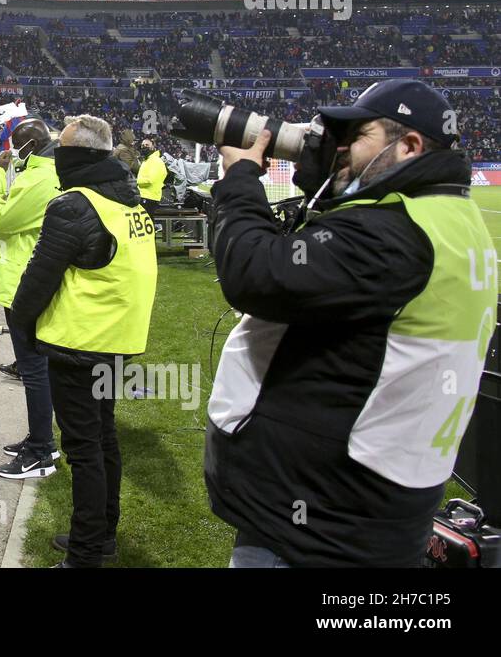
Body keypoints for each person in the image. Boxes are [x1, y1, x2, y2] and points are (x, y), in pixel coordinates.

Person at [204, 79, 495, 568]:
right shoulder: (443, 217)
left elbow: (255, 274)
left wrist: (240, 179)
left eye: (356, 136)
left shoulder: (395, 233)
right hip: (374, 503)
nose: (337, 149)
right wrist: (326, 178)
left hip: (317, 521)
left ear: (409, 145)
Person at [11, 115, 157, 567]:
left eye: (62, 152)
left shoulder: (75, 205)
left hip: (78, 342)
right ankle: (100, 534)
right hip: (115, 340)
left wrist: (23, 324)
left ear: (76, 157)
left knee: (84, 449)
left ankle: (86, 553)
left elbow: (37, 281)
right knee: (103, 439)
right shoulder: (127, 198)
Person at [0, 120, 62, 477]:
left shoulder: (37, 179)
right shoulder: (50, 172)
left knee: (33, 369)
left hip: (21, 283)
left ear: (29, 146)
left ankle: (41, 451)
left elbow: (0, 218)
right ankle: (39, 440)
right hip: (30, 279)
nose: (12, 153)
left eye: (16, 146)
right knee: (36, 367)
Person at [136, 137, 167, 218]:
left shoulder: (155, 161)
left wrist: (137, 181)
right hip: (146, 196)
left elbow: (149, 180)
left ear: (153, 146)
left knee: (146, 221)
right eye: (142, 145)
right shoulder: (147, 160)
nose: (144, 147)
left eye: (147, 145)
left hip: (149, 197)